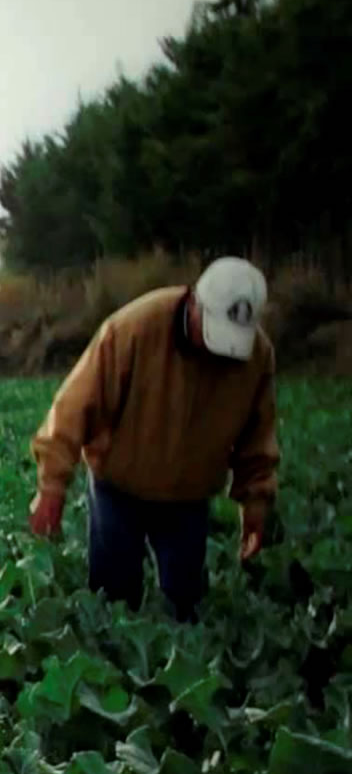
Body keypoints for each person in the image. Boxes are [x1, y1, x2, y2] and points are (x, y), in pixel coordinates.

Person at [28, 256, 280, 621]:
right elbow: (74, 407)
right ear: (194, 302)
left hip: (188, 497)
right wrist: (52, 487)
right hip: (119, 487)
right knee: (113, 600)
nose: (218, 349)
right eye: (212, 331)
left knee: (185, 604)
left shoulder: (256, 356)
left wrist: (255, 502)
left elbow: (259, 436)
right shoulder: (133, 329)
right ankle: (111, 670)